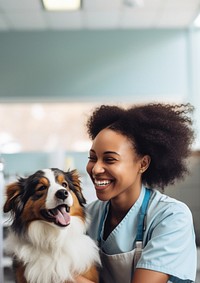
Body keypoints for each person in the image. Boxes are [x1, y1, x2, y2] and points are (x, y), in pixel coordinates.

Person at [78, 103, 197, 283]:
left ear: (143, 164)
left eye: (109, 159)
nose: (96, 169)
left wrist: (66, 277)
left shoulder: (171, 216)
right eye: (92, 158)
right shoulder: (86, 216)